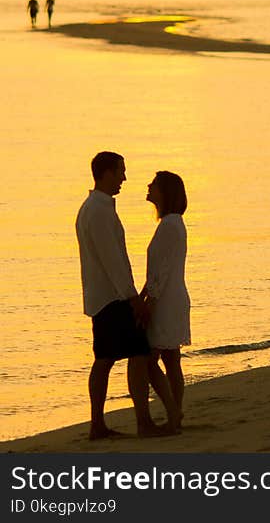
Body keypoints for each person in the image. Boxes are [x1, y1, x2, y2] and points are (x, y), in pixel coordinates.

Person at [75, 151, 180, 439]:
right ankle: (141, 422)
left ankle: (99, 424)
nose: (124, 177)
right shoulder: (97, 210)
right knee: (136, 354)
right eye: (121, 171)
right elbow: (113, 261)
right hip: (113, 298)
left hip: (103, 295)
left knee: (106, 357)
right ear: (106, 172)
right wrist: (134, 299)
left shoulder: (96, 208)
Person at [142, 171, 191, 424]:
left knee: (150, 362)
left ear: (165, 192)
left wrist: (148, 301)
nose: (149, 187)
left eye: (154, 185)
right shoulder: (173, 223)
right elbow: (161, 269)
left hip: (166, 301)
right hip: (172, 296)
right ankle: (176, 413)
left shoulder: (170, 225)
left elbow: (160, 272)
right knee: (171, 360)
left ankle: (173, 410)